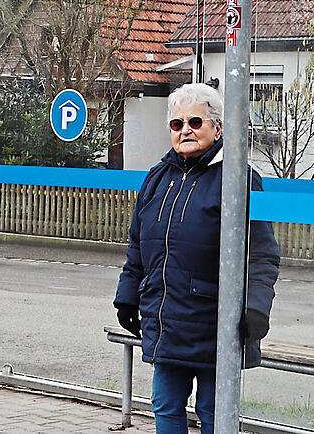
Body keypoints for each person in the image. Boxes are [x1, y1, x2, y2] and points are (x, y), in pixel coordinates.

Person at [113, 83, 280, 434]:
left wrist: (256, 308)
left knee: (214, 412)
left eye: (195, 122)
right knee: (165, 407)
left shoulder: (240, 178)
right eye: (177, 124)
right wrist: (127, 297)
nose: (185, 130)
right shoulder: (157, 179)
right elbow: (137, 246)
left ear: (217, 128)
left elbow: (261, 255)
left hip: (217, 325)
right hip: (167, 322)